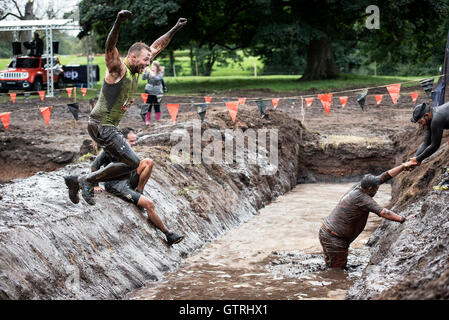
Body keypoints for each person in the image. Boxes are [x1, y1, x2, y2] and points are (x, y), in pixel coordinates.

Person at [64, 10, 187, 205]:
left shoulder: (138, 67)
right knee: (133, 162)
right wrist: (118, 22)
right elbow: (110, 46)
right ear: (132, 56)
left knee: (126, 166)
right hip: (102, 125)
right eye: (145, 60)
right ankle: (87, 180)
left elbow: (157, 46)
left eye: (149, 60)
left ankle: (74, 180)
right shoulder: (119, 69)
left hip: (105, 127)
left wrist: (175, 28)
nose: (148, 64)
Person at [91, 127, 184, 246]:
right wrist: (95, 185)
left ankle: (139, 190)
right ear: (123, 140)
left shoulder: (127, 150)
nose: (134, 144)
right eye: (131, 141)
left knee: (148, 162)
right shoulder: (109, 150)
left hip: (128, 178)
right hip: (117, 185)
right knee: (149, 204)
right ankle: (168, 234)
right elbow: (94, 166)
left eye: (135, 141)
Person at [319, 162, 414, 268]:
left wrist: (403, 167)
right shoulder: (363, 199)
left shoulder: (359, 187)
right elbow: (383, 212)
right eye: (376, 189)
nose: (377, 191)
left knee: (330, 265)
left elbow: (385, 176)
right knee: (337, 270)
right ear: (370, 189)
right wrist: (403, 219)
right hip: (335, 238)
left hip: (326, 232)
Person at [408, 102, 449, 168]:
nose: (421, 125)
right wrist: (414, 159)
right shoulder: (430, 118)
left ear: (426, 115)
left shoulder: (436, 120)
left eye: (421, 122)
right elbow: (426, 142)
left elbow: (435, 145)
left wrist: (418, 159)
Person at [142, 60, 166, 126]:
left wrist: (150, 71)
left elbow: (157, 78)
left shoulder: (160, 72)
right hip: (148, 91)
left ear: (157, 67)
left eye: (154, 66)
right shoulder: (149, 72)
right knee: (148, 106)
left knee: (157, 106)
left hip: (157, 92)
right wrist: (144, 72)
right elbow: (143, 78)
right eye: (152, 65)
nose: (152, 67)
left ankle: (158, 120)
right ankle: (147, 121)